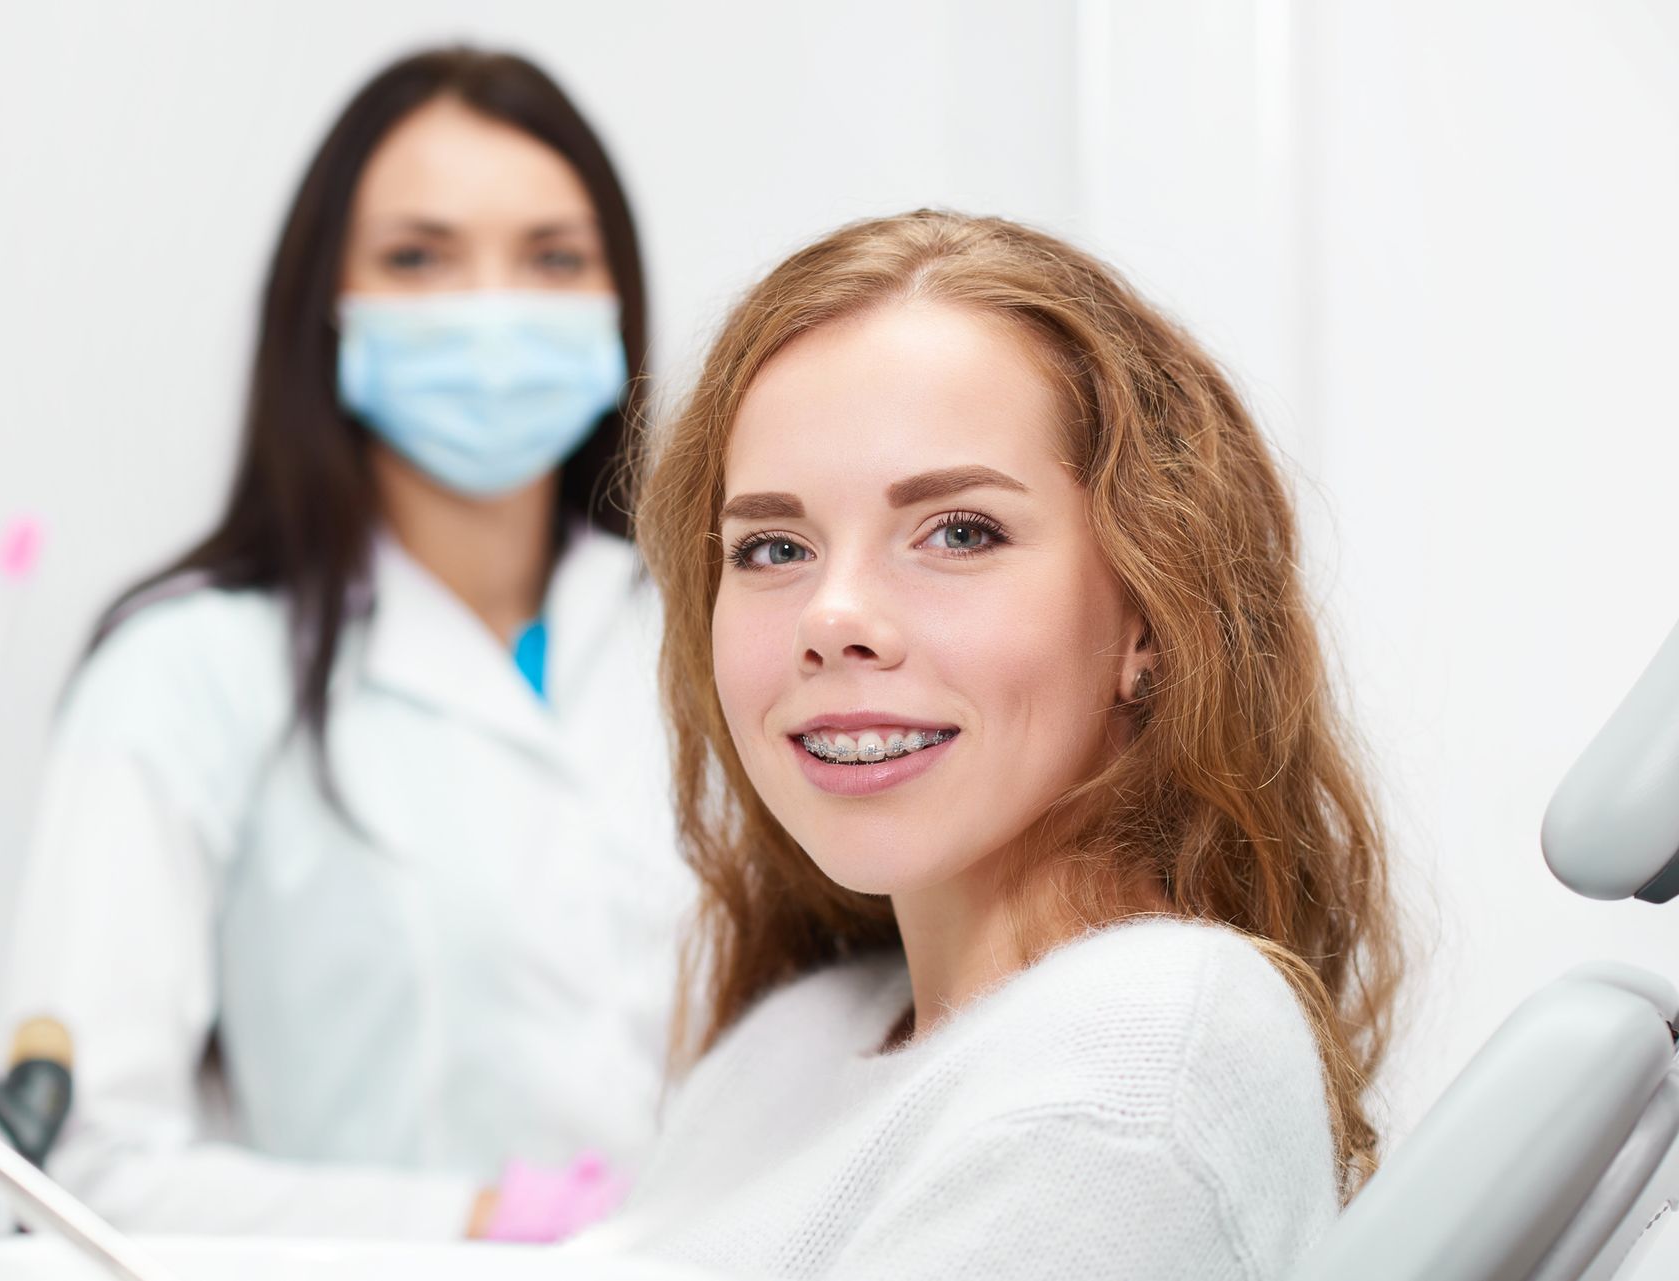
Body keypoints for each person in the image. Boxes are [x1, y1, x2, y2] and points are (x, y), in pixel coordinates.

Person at [572, 211, 1404, 1278]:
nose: (833, 619)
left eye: (959, 532)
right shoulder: (802, 1039)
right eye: (774, 546)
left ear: (1150, 613)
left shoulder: (1141, 1051)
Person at [2, 47, 689, 1240]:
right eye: (419, 258)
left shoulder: (713, 633)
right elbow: (75, 1172)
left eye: (553, 258)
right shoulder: (185, 676)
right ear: (328, 302)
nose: (490, 310)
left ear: (616, 300)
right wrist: (468, 1224)